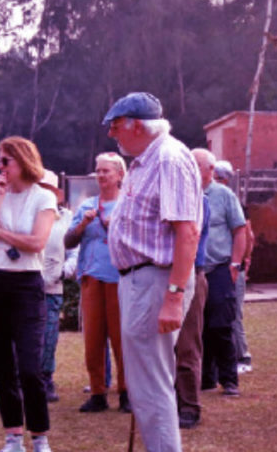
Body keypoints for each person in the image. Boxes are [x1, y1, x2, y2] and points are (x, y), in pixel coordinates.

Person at [104, 93, 201, 452]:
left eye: (116, 128)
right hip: (137, 280)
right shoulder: (146, 161)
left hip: (155, 280)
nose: (114, 136)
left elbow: (187, 232)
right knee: (143, 385)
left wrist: (173, 297)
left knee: (151, 386)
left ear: (138, 126)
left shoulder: (169, 159)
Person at [0, 137, 58, 452]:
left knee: (29, 367)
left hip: (27, 285)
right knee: (1, 365)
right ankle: (12, 437)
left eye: (5, 161)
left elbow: (37, 243)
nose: (0, 167)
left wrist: (3, 234)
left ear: (22, 161)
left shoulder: (43, 198)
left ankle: (40, 438)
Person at [63, 152, 129, 413]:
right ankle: (98, 392)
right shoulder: (86, 206)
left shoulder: (128, 206)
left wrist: (117, 226)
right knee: (93, 340)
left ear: (119, 175)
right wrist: (82, 226)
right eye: (98, 171)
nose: (101, 175)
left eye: (106, 171)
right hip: (91, 278)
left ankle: (127, 392)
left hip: (119, 278)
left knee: (122, 338)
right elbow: (68, 241)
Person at [197, 150, 248, 397]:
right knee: (198, 326)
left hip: (219, 268)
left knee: (221, 325)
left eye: (197, 166)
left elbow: (240, 230)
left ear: (210, 170)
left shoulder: (224, 195)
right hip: (192, 270)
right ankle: (206, 378)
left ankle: (229, 380)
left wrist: (235, 264)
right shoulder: (183, 195)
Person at [173, 150, 212, 430]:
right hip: (166, 276)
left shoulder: (200, 204)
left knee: (187, 344)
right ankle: (170, 403)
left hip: (189, 276)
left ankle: (189, 406)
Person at [212, 160, 255, 374]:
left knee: (234, 314)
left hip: (232, 267)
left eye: (216, 178)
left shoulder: (232, 203)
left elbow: (247, 235)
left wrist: (242, 263)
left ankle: (243, 356)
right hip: (222, 267)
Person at [38, 169, 76, 404]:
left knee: (49, 336)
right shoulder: (25, 215)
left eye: (47, 189)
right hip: (24, 287)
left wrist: (64, 271)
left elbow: (74, 251)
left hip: (52, 288)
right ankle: (25, 380)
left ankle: (46, 378)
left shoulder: (67, 218)